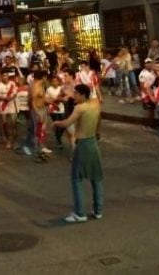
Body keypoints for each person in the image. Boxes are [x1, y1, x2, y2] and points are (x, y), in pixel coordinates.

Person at [54, 84, 103, 223]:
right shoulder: (95, 105)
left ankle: (80, 213)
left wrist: (57, 123)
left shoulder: (80, 108)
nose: (74, 95)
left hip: (83, 143)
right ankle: (98, 210)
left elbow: (66, 123)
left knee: (76, 179)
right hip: (93, 141)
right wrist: (98, 132)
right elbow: (99, 120)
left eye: (76, 93)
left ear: (82, 94)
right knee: (96, 177)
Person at [31, 70, 51, 160]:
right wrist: (37, 113)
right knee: (37, 132)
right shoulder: (36, 86)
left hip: (42, 109)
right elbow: (33, 101)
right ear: (43, 77)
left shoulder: (41, 86)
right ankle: (36, 153)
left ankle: (40, 151)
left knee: (42, 131)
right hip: (37, 110)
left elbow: (42, 98)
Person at [0, 71, 18, 149]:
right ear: (1, 77)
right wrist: (5, 98)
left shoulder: (12, 83)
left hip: (11, 105)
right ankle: (8, 139)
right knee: (5, 124)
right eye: (3, 76)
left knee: (13, 123)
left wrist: (10, 98)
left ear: (8, 76)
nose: (5, 77)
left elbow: (15, 93)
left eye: (6, 75)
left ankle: (13, 140)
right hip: (3, 105)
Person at [46, 75, 67, 150]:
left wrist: (60, 99)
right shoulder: (49, 89)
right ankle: (59, 141)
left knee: (63, 125)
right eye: (53, 81)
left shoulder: (61, 89)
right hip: (53, 109)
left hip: (61, 108)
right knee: (58, 124)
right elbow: (47, 99)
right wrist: (54, 102)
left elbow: (65, 97)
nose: (54, 82)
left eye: (56, 81)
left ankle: (58, 135)